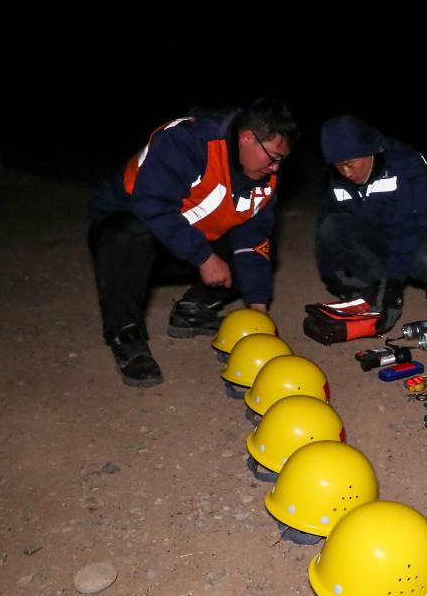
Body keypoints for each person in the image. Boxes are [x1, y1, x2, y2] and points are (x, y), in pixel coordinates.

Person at [88, 98, 299, 387]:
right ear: (247, 138)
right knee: (126, 233)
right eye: (273, 157)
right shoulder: (187, 141)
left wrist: (258, 306)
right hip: (130, 233)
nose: (275, 168)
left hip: (184, 241)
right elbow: (152, 205)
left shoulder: (263, 177)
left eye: (281, 161)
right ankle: (126, 335)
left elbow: (255, 238)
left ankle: (193, 310)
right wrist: (204, 257)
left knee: (255, 256)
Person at [316, 115, 427, 333]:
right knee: (332, 226)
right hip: (382, 240)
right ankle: (370, 288)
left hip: (422, 238)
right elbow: (328, 224)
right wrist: (333, 278)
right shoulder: (338, 177)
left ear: (369, 151)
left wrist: (393, 285)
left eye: (349, 164)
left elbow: (413, 225)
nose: (346, 173)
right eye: (338, 166)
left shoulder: (406, 162)